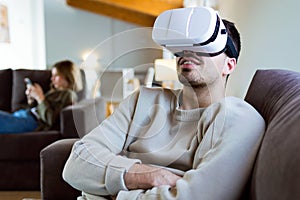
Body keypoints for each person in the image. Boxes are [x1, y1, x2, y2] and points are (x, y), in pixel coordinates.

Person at [63, 8, 265, 200]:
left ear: (229, 65)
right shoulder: (142, 100)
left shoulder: (237, 117)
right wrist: (150, 175)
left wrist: (117, 192)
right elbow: (76, 164)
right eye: (183, 45)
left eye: (203, 44)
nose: (189, 51)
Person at [0, 60, 82, 134]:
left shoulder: (68, 94)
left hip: (33, 121)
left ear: (68, 76)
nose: (52, 79)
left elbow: (50, 120)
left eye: (56, 75)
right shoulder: (54, 92)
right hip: (24, 114)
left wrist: (40, 97)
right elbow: (37, 108)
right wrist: (31, 99)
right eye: (52, 75)